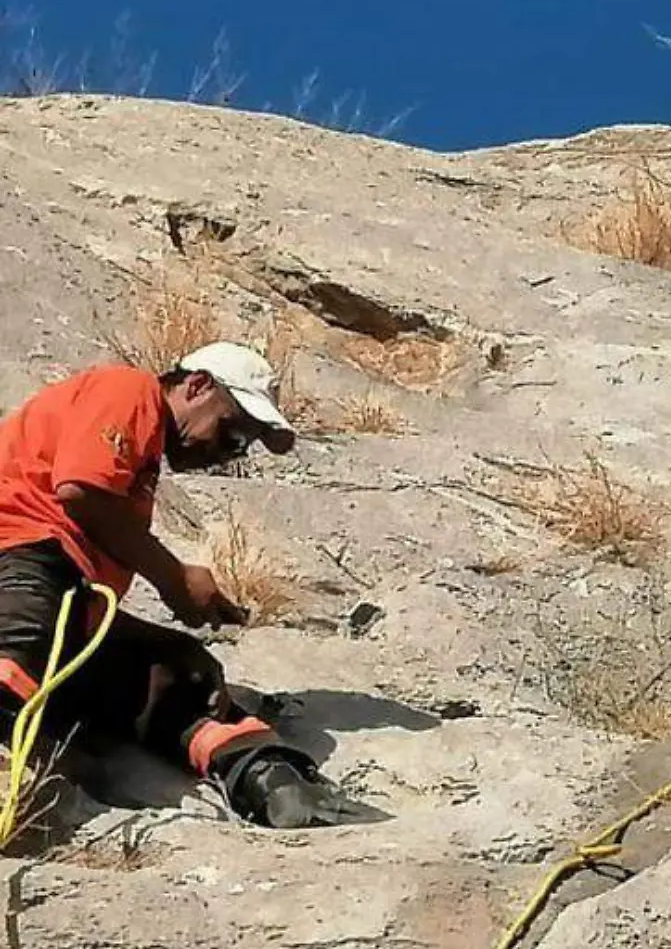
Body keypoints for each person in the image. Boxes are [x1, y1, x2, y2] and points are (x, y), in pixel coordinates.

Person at [0, 342, 388, 828]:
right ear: (197, 385)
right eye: (230, 432)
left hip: (67, 607)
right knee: (32, 613)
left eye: (241, 445)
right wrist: (174, 578)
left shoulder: (140, 464)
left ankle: (266, 777)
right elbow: (82, 493)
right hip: (17, 570)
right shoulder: (130, 389)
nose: (227, 452)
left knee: (180, 669)